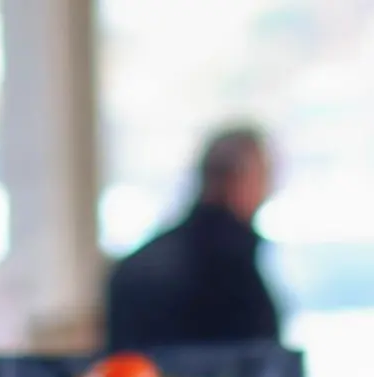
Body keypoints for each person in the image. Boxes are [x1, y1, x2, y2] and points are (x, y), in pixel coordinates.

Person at [105, 126, 282, 351]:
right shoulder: (230, 265)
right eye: (264, 177)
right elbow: (259, 355)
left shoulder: (141, 261)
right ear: (236, 181)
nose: (268, 191)